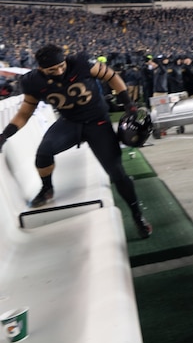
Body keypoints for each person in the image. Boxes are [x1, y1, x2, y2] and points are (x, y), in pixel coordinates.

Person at [0, 45, 151, 237]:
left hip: (98, 122)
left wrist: (127, 102)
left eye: (61, 66)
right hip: (70, 122)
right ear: (40, 69)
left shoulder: (80, 63)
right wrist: (4, 135)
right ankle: (47, 188)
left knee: (117, 173)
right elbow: (24, 113)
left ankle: (137, 215)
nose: (59, 71)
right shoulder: (33, 81)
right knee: (43, 154)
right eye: (52, 70)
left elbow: (111, 76)